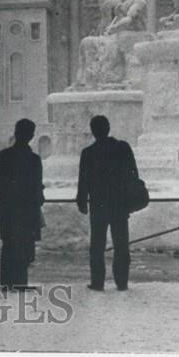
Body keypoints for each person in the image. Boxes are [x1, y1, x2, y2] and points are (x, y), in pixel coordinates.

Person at [77, 114, 140, 291]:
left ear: (93, 131)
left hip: (98, 204)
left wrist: (82, 201)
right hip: (120, 203)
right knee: (121, 242)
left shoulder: (88, 153)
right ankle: (122, 281)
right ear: (109, 128)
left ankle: (97, 282)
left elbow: (84, 180)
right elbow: (133, 174)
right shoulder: (122, 148)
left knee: (97, 244)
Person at [0, 119, 44, 290]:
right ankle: (20, 283)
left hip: (8, 210)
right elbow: (37, 188)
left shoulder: (2, 156)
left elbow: (1, 186)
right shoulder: (34, 159)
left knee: (9, 246)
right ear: (31, 136)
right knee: (24, 247)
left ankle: (6, 282)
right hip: (27, 211)